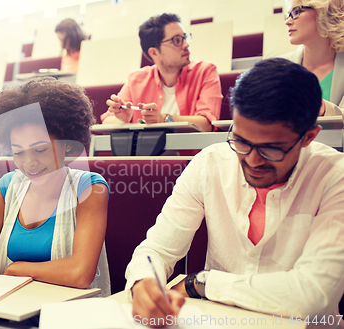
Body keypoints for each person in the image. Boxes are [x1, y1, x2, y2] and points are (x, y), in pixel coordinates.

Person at [126, 58, 344, 328]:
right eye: (240, 141)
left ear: (309, 137)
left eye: (271, 149)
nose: (252, 161)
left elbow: (313, 296)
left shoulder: (336, 177)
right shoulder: (211, 163)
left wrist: (201, 283)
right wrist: (144, 282)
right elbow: (156, 249)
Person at [0, 77, 110, 303]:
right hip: (11, 309)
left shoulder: (90, 188)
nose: (29, 163)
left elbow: (80, 273)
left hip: (67, 314)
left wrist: (18, 269)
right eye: (18, 152)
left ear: (67, 143)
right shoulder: (7, 187)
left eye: (40, 150)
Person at [101, 13, 222, 132]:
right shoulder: (136, 79)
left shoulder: (205, 71)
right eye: (177, 40)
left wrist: (163, 119)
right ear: (154, 53)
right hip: (146, 152)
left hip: (191, 152)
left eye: (185, 38)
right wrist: (123, 120)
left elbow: (207, 124)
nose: (186, 44)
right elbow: (106, 122)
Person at [282, 0, 344, 116]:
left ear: (324, 11)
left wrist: (323, 108)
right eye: (288, 15)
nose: (288, 22)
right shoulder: (278, 67)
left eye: (296, 12)